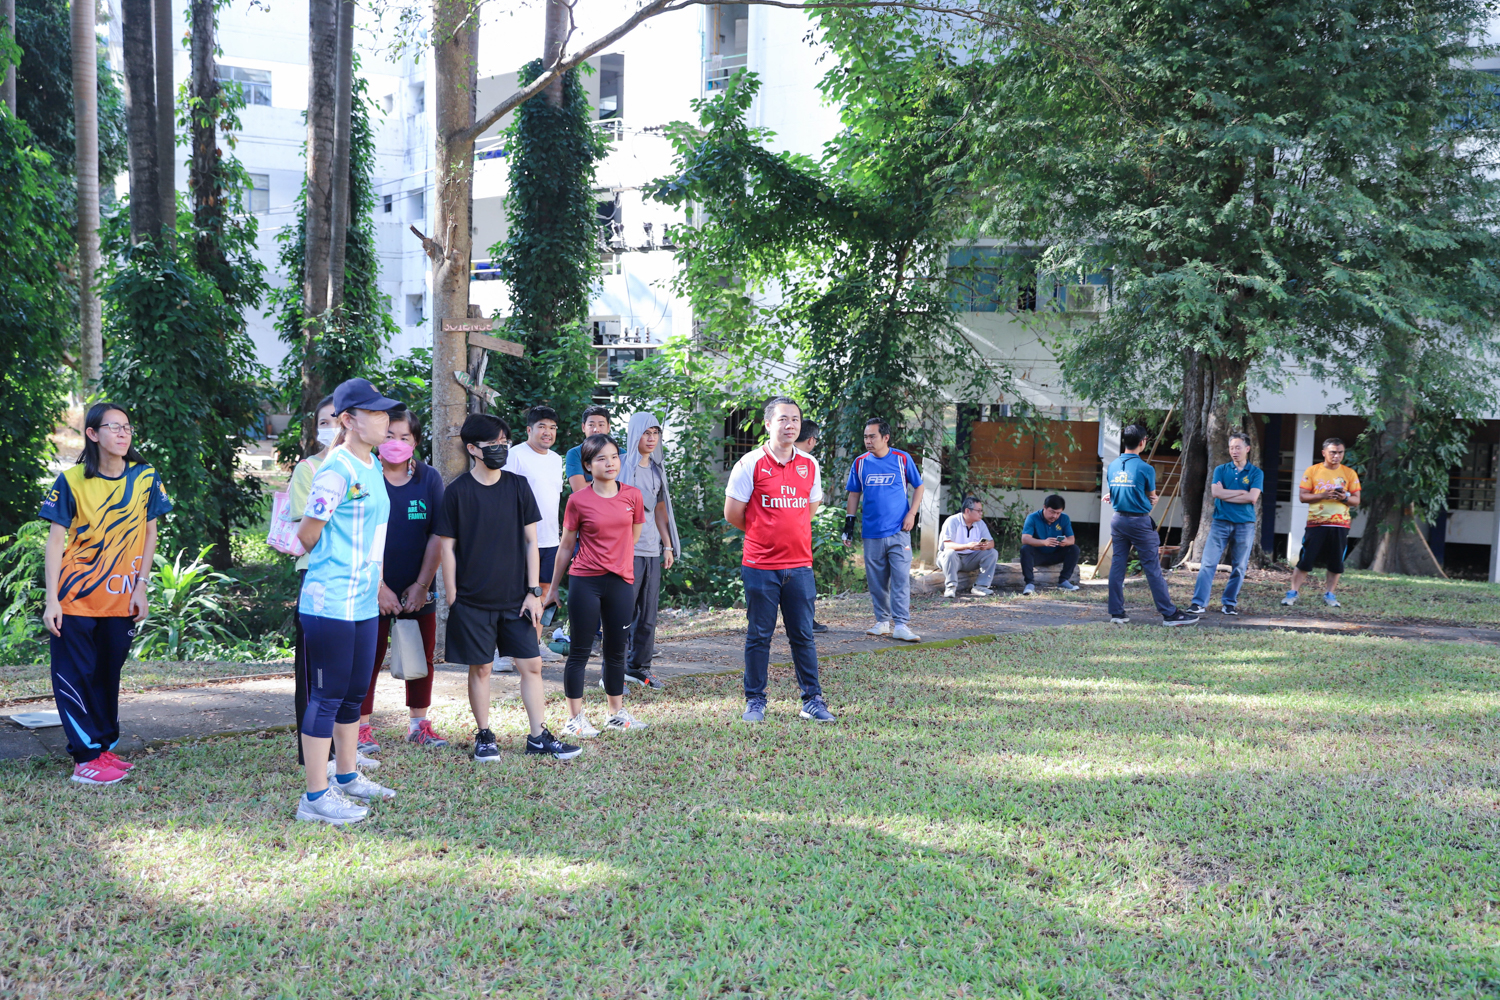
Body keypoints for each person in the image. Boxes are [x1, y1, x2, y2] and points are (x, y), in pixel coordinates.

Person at [39, 402, 172, 785]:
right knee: (75, 675)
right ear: (93, 434)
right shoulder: (71, 481)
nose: (123, 433)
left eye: (127, 426)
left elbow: (150, 533)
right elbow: (55, 541)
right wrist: (52, 599)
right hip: (75, 597)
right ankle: (85, 760)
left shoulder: (145, 477)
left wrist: (142, 587)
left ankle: (102, 747)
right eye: (113, 426)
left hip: (122, 597)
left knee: (106, 675)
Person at [435, 413, 579, 762]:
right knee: (481, 668)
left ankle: (538, 737)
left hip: (518, 598)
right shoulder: (457, 492)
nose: (500, 448)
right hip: (472, 599)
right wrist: (452, 595)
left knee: (532, 665)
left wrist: (534, 592)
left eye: (504, 442)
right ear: (473, 448)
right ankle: (484, 735)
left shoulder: (517, 486)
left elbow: (532, 542)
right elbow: (447, 548)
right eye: (492, 444)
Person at [293, 378, 403, 824]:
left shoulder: (372, 464)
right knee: (327, 695)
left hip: (362, 600)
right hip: (330, 601)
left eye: (385, 412)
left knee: (355, 692)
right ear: (348, 420)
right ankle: (315, 797)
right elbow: (306, 535)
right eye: (374, 413)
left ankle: (346, 775)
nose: (385, 420)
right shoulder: (336, 469)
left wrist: (373, 580)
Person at [724, 396, 834, 723]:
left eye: (795, 419)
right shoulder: (750, 463)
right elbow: (732, 513)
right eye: (783, 419)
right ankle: (755, 701)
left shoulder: (809, 465)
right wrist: (764, 531)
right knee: (759, 635)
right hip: (760, 566)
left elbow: (808, 510)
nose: (790, 425)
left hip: (800, 566)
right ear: (768, 424)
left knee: (803, 635)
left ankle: (812, 700)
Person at [355, 407, 448, 753]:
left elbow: (438, 534)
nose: (395, 442)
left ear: (416, 441)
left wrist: (422, 586)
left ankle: (419, 725)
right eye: (389, 435)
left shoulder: (429, 478)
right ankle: (360, 728)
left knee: (422, 657)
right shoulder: (364, 475)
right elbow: (357, 534)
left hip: (418, 588)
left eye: (404, 436)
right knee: (366, 658)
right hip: (369, 587)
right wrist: (379, 587)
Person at [547, 434, 650, 737]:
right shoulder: (578, 500)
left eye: (614, 456)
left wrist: (617, 561)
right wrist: (553, 587)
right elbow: (567, 546)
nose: (610, 463)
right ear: (588, 465)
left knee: (616, 650)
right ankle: (574, 719)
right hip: (585, 582)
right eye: (601, 458)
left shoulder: (633, 496)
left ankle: (615, 714)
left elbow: (632, 537)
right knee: (580, 651)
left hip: (620, 582)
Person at [285, 395, 338, 766]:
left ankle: (346, 749)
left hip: (356, 579)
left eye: (336, 419)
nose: (330, 428)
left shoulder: (366, 467)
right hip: (318, 575)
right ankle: (317, 753)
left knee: (346, 668)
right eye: (323, 422)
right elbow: (308, 531)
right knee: (313, 669)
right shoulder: (309, 469)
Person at [1104, 425, 1198, 626]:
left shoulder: (1112, 466)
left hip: (1118, 520)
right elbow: (1151, 497)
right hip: (1138, 522)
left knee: (1117, 565)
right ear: (1142, 442)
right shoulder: (1146, 468)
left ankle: (1117, 613)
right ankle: (1170, 614)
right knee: (1152, 568)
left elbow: (1114, 491)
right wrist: (1151, 500)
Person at [844, 417, 924, 642]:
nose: (868, 441)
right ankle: (882, 622)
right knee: (876, 581)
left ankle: (901, 625)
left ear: (885, 437)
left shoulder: (902, 459)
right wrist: (849, 525)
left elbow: (919, 487)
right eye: (865, 437)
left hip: (899, 530)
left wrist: (912, 514)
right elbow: (854, 494)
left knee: (900, 578)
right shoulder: (860, 463)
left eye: (872, 436)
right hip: (872, 532)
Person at [617, 412, 681, 689]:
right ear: (635, 434)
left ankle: (639, 668)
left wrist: (667, 545)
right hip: (625, 552)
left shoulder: (657, 469)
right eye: (646, 432)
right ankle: (614, 671)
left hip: (651, 551)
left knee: (647, 615)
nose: (652, 438)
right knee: (621, 614)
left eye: (655, 433)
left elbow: (660, 511)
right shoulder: (619, 465)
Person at [502, 406, 566, 665]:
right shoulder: (515, 455)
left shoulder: (556, 459)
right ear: (529, 429)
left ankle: (534, 645)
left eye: (552, 427)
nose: (547, 432)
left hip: (550, 539)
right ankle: (503, 651)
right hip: (521, 540)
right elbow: (504, 496)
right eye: (542, 426)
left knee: (545, 592)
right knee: (516, 594)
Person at [1188, 431, 1263, 615]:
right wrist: (1241, 493)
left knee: (1239, 566)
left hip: (1244, 524)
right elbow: (1216, 493)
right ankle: (1198, 603)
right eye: (1231, 448)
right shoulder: (1220, 470)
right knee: (1208, 563)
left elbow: (1252, 497)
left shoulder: (1256, 472)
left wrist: (1227, 493)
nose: (1234, 451)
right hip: (1220, 522)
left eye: (1238, 448)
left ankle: (1229, 603)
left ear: (1247, 449)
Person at [1284, 437, 1361, 608]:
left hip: (1340, 524)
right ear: (1324, 453)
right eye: (1333, 452)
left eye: (1340, 452)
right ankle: (1293, 592)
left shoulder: (1349, 473)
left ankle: (1330, 594)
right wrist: (1323, 495)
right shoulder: (1312, 471)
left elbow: (1356, 500)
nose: (1336, 456)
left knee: (1336, 562)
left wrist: (1344, 497)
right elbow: (1303, 497)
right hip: (1316, 523)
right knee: (1306, 560)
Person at [794, 420, 829, 634]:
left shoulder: (763, 457)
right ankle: (806, 620)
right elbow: (813, 504)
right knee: (802, 576)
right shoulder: (808, 462)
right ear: (811, 440)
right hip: (797, 532)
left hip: (766, 533)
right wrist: (799, 525)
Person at [937, 497, 999, 598]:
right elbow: (946, 545)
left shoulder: (980, 523)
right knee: (950, 553)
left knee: (992, 552)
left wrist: (984, 546)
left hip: (970, 558)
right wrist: (967, 546)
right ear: (967, 511)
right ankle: (950, 587)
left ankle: (980, 586)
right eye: (978, 510)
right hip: (951, 559)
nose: (981, 513)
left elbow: (991, 543)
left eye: (981, 510)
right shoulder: (952, 521)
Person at [1019, 495, 1080, 595]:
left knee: (1074, 549)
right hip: (1037, 555)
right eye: (1052, 512)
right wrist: (1043, 542)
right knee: (1025, 549)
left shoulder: (1064, 518)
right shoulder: (1032, 517)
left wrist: (1065, 542)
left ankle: (1063, 581)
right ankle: (1029, 584)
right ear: (1045, 507)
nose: (1054, 516)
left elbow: (1071, 539)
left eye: (1058, 513)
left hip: (1056, 553)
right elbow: (1025, 539)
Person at [565, 405, 611, 494]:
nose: (596, 430)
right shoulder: (575, 453)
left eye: (601, 425)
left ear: (608, 427)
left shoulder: (620, 453)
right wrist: (612, 484)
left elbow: (627, 485)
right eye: (591, 425)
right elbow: (579, 489)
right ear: (583, 427)